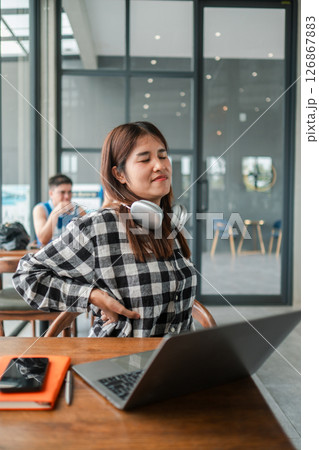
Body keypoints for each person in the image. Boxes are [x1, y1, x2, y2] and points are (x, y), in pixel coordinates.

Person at [13, 122, 197, 337]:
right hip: (124, 361)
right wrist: (91, 296)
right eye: (145, 159)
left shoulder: (166, 223)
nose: (159, 165)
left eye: (163, 156)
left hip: (173, 359)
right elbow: (27, 275)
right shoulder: (99, 227)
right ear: (119, 174)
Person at [33, 174, 85, 246]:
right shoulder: (40, 209)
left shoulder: (78, 210)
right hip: (47, 255)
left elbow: (88, 236)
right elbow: (43, 240)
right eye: (62, 192)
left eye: (69, 192)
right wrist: (55, 213)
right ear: (51, 194)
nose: (67, 196)